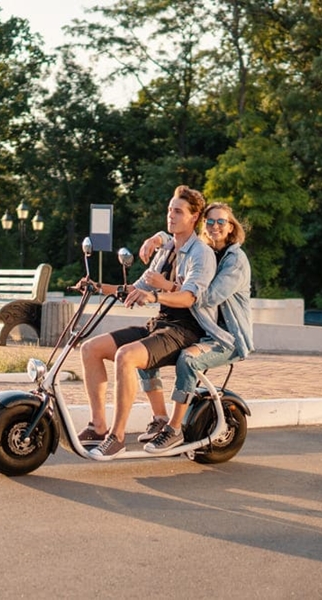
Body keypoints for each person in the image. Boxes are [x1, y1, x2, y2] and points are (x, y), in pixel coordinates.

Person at [75, 185, 221, 460]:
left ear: (194, 217)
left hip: (185, 329)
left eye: (178, 211)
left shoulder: (201, 253)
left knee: (125, 356)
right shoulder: (166, 250)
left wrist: (155, 295)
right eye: (169, 210)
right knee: (90, 348)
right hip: (160, 324)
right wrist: (97, 286)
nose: (171, 216)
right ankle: (98, 426)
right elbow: (135, 288)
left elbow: (189, 297)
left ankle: (117, 437)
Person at [134, 202, 254, 453]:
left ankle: (174, 429)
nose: (215, 226)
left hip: (227, 338)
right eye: (210, 221)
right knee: (143, 353)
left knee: (187, 360)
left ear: (231, 227)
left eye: (221, 221)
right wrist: (156, 238)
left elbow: (207, 297)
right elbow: (176, 238)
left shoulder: (235, 260)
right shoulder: (205, 251)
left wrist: (167, 286)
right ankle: (160, 420)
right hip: (203, 331)